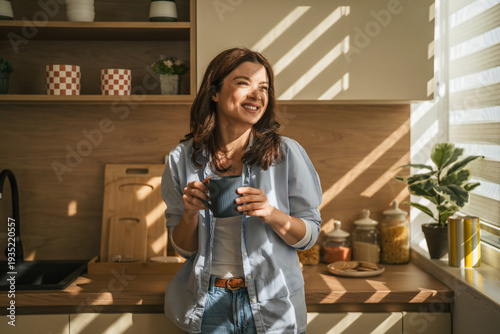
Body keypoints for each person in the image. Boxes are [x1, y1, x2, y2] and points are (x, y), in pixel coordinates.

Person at [161, 47, 322, 334]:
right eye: (243, 83)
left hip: (272, 307)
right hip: (207, 303)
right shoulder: (182, 158)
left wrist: (271, 214)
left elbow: (309, 235)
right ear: (214, 92)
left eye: (264, 88)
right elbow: (184, 250)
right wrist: (188, 214)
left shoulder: (286, 154)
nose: (257, 95)